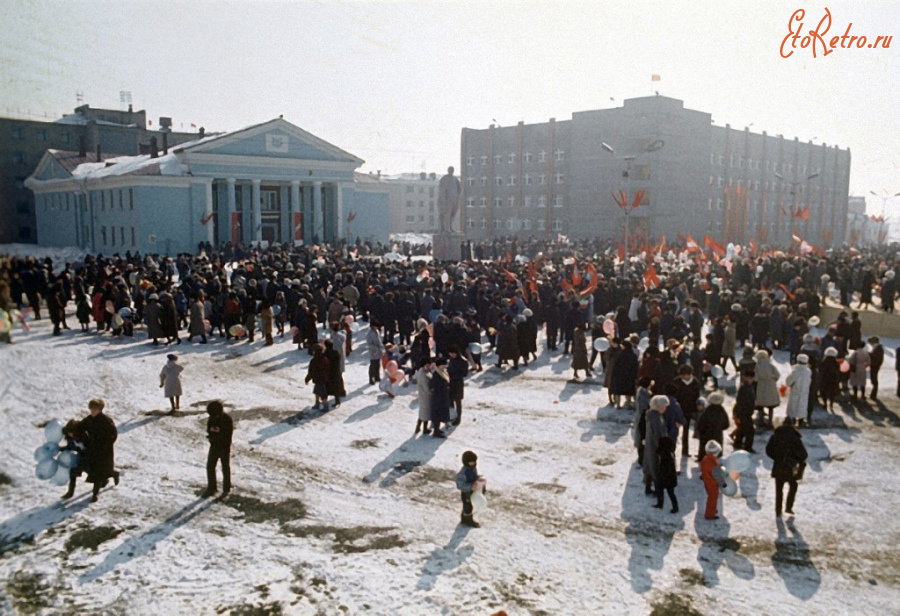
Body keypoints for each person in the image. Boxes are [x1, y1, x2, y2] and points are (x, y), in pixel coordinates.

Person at [766, 418, 808, 517]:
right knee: (793, 486)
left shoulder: (775, 436)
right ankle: (789, 507)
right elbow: (804, 455)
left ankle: (778, 511)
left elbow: (768, 450)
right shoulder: (795, 438)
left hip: (779, 466)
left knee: (778, 489)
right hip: (791, 468)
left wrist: (777, 457)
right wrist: (795, 459)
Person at [81, 398, 119, 503]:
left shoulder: (106, 421)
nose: (93, 411)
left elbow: (113, 435)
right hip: (92, 450)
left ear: (100, 409)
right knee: (93, 470)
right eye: (91, 409)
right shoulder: (88, 420)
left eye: (95, 409)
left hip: (104, 451)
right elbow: (79, 427)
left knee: (98, 472)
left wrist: (106, 445)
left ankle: (95, 494)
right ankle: (114, 474)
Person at [204, 400, 233, 497]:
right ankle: (211, 488)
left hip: (224, 447)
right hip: (214, 446)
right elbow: (208, 428)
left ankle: (226, 488)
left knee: (225, 467)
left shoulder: (227, 420)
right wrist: (211, 431)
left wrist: (218, 432)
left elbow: (227, 434)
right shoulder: (212, 418)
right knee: (210, 467)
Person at [643, 395, 668, 497]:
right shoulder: (656, 418)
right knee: (656, 468)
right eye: (664, 406)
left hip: (650, 445)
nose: (665, 409)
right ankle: (657, 491)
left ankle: (648, 487)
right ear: (658, 406)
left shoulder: (651, 415)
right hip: (656, 447)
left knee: (649, 466)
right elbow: (658, 434)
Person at [695, 391, 730, 463]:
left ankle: (702, 459)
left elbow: (701, 423)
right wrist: (719, 428)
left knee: (705, 449)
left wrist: (701, 431)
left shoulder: (707, 410)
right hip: (717, 435)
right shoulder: (722, 411)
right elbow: (726, 424)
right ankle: (716, 461)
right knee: (717, 450)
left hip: (706, 434)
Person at [60, 419, 87, 499]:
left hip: (90, 457)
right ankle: (70, 492)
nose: (70, 434)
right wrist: (60, 449)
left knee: (94, 472)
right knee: (73, 472)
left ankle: (111, 475)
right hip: (81, 457)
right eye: (68, 432)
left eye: (71, 432)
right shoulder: (70, 438)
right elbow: (70, 447)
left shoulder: (84, 437)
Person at [456, 450, 483, 528]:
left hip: (472, 490)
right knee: (468, 506)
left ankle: (465, 517)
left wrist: (478, 478)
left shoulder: (473, 468)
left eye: (474, 461)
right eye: (471, 462)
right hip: (466, 492)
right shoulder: (463, 472)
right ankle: (467, 520)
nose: (473, 463)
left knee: (469, 505)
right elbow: (460, 484)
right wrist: (470, 487)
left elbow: (473, 476)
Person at [754, 349, 780, 428]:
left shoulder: (757, 366)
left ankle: (761, 420)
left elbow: (755, 378)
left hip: (761, 385)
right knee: (770, 405)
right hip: (771, 385)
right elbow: (777, 375)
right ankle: (770, 421)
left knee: (761, 404)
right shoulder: (770, 365)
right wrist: (773, 379)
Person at [700, 440, 726, 520]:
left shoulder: (706, 458)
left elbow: (706, 468)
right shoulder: (713, 463)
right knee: (713, 498)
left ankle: (712, 509)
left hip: (707, 481)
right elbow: (717, 475)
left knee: (711, 497)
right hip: (712, 484)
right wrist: (723, 483)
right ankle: (710, 514)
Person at [733, 370, 756, 453]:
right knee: (750, 431)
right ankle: (747, 447)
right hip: (744, 412)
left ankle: (737, 443)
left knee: (742, 429)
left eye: (751, 378)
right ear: (744, 377)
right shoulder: (744, 388)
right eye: (748, 377)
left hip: (745, 412)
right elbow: (740, 401)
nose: (750, 379)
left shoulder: (748, 387)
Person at [653, 436, 679, 513]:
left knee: (669, 493)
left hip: (667, 478)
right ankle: (672, 506)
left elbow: (665, 469)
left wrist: (659, 476)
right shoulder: (669, 454)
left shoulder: (666, 456)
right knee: (669, 492)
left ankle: (672, 507)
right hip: (669, 478)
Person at [785, 355, 812, 426]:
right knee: (802, 406)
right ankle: (801, 419)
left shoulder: (795, 370)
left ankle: (792, 419)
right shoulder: (808, 371)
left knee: (793, 405)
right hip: (804, 392)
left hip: (795, 390)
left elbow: (789, 381)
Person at [430, 357, 451, 438]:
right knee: (437, 414)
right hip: (438, 397)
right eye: (442, 365)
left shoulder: (442, 372)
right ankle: (436, 431)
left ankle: (437, 430)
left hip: (442, 396)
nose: (444, 366)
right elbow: (435, 386)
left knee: (440, 414)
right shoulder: (436, 374)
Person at [305, 343, 330, 410]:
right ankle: (317, 403)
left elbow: (311, 371)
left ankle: (325, 406)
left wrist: (307, 378)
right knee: (316, 391)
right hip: (323, 379)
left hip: (319, 379)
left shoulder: (314, 361)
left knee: (322, 393)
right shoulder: (325, 359)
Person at [447, 346, 468, 426]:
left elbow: (464, 373)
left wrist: (454, 375)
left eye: (451, 354)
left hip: (458, 383)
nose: (451, 355)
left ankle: (458, 418)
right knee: (450, 400)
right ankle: (452, 415)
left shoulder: (463, 361)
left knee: (458, 401)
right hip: (451, 383)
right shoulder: (452, 359)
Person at [414, 358, 434, 435]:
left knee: (423, 413)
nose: (429, 366)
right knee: (425, 413)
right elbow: (427, 388)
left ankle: (418, 427)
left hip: (423, 396)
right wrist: (433, 390)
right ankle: (424, 429)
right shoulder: (423, 375)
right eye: (427, 364)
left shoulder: (424, 371)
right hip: (426, 396)